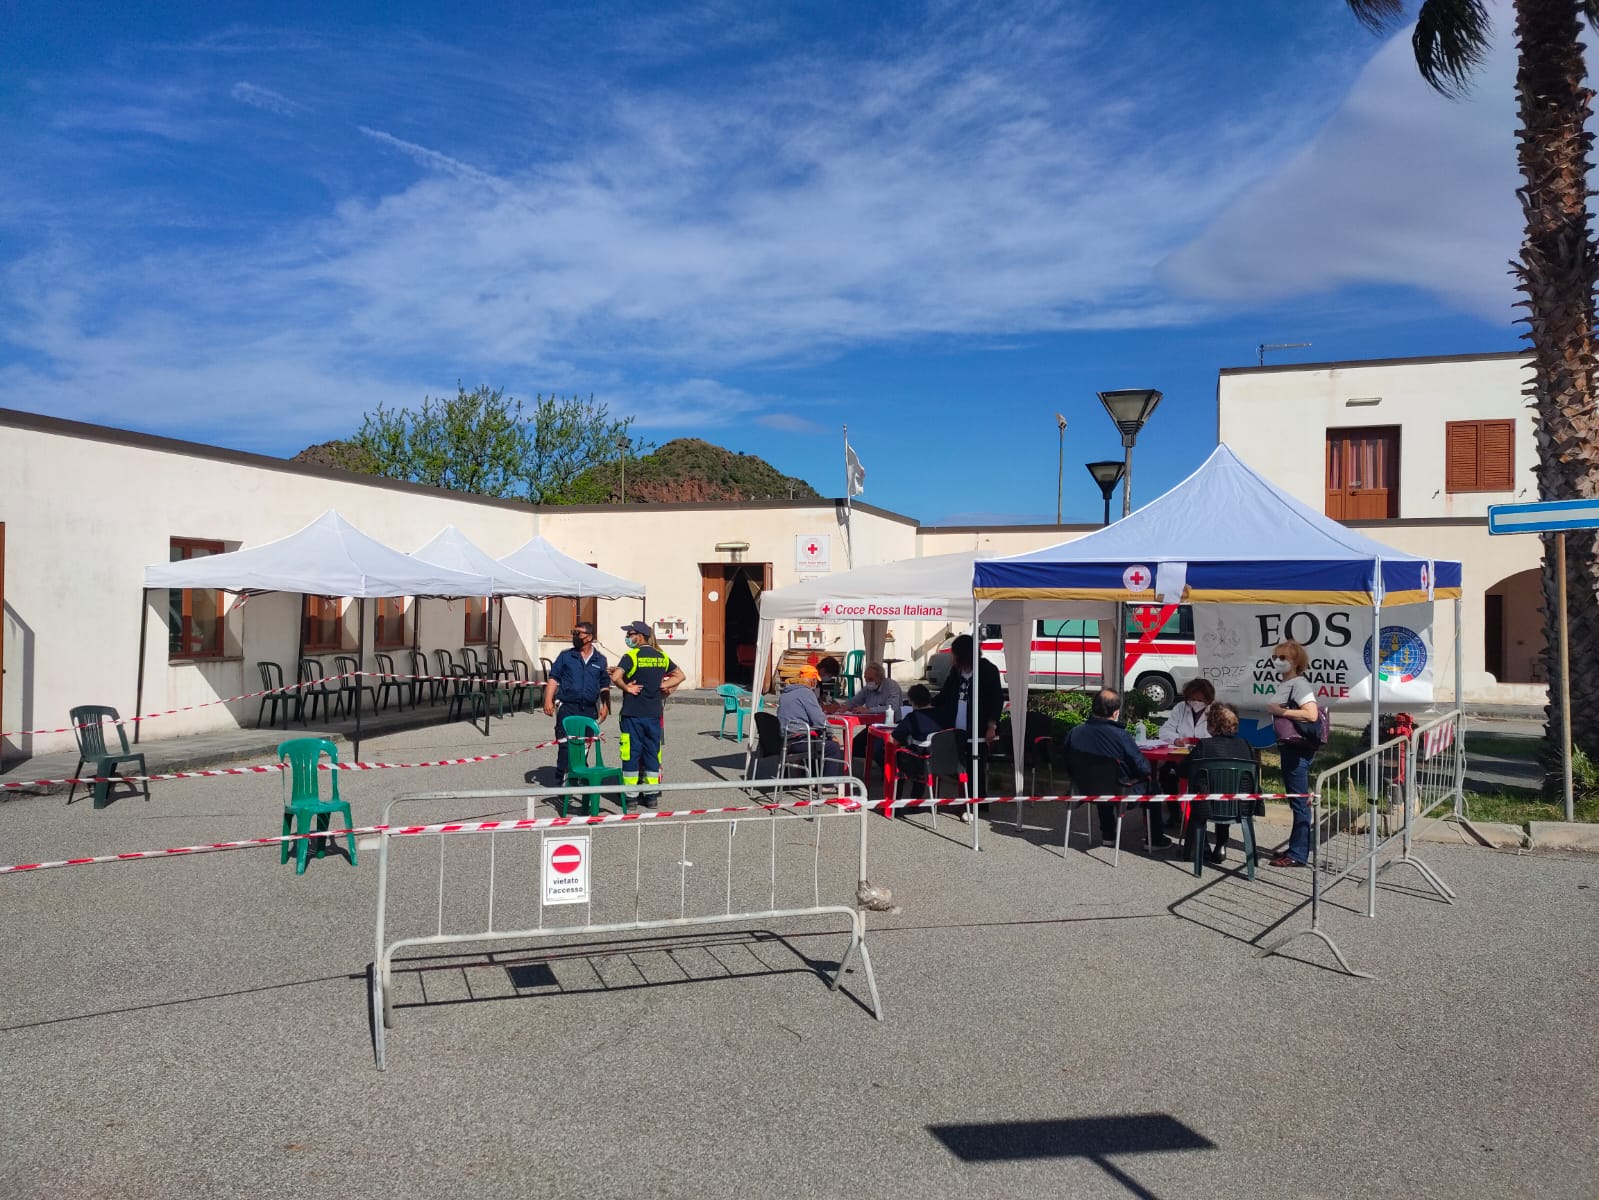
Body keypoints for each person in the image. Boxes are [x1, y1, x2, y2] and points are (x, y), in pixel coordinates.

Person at [1062, 687, 1163, 848]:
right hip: (1119, 790)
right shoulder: (1120, 736)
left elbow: (1067, 763)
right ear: (1116, 713)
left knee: (1103, 778)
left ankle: (1108, 834)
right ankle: (1156, 840)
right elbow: (1143, 768)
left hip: (1083, 788)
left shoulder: (1074, 733)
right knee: (1152, 787)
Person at [609, 621, 684, 809]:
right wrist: (665, 686)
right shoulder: (661, 656)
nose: (628, 637)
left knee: (631, 753)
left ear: (640, 636)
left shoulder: (631, 655)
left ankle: (631, 797)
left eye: (630, 634)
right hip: (653, 714)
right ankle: (651, 796)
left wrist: (627, 687)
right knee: (652, 753)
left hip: (633, 713)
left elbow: (615, 677)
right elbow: (680, 675)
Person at [1265, 639, 1319, 867]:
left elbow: (1312, 715)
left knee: (1299, 801)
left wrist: (1282, 711)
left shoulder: (1299, 684)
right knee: (1296, 800)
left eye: (1283, 658)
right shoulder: (1289, 683)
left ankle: (1298, 854)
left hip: (1297, 749)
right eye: (1275, 657)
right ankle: (1297, 847)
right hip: (1290, 748)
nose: (1278, 662)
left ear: (1296, 661)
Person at [1181, 702, 1257, 863]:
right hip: (1240, 805)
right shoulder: (1247, 746)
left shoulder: (1205, 746)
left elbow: (1183, 770)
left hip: (1208, 805)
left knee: (1200, 795)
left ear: (1212, 725)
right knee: (1226, 792)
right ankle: (1221, 845)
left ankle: (1200, 848)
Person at [541, 620, 609, 769]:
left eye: (578, 633)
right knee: (565, 746)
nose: (574, 636)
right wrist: (548, 700)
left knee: (584, 746)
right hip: (568, 708)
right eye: (573, 633)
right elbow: (553, 678)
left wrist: (606, 706)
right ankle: (563, 783)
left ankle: (579, 777)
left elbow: (604, 685)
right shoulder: (566, 656)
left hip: (589, 709)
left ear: (589, 637)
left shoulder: (600, 660)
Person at [932, 633, 1003, 755]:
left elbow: (996, 700)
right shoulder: (955, 671)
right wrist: (925, 703)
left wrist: (992, 726)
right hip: (955, 729)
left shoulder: (988, 670)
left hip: (978, 730)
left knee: (975, 767)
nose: (951, 657)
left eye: (953, 653)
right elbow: (944, 695)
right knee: (956, 767)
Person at [775, 665, 845, 774]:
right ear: (812, 681)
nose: (816, 684)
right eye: (816, 681)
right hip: (798, 740)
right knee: (833, 747)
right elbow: (818, 719)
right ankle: (827, 785)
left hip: (783, 739)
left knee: (816, 738)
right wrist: (831, 735)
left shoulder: (785, 693)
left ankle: (809, 775)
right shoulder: (806, 693)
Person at [889, 683, 942, 806]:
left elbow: (894, 739)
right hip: (940, 759)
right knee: (922, 750)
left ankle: (896, 801)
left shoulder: (913, 717)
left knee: (899, 756)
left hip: (919, 762)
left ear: (912, 702)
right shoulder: (942, 714)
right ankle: (916, 797)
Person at [830, 661, 904, 728]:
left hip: (891, 726)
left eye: (871, 679)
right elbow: (855, 701)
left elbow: (892, 707)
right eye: (866, 679)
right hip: (872, 725)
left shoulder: (891, 686)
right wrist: (845, 707)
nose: (868, 682)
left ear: (880, 678)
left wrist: (868, 710)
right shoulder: (867, 688)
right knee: (857, 742)